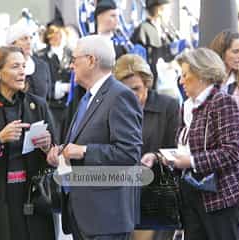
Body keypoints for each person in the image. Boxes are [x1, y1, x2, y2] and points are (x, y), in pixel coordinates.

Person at [47, 35, 143, 240]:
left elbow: (129, 152)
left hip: (106, 218)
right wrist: (62, 153)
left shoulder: (119, 96)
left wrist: (83, 151)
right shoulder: (87, 97)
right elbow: (85, 140)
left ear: (91, 60)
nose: (71, 65)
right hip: (83, 213)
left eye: (75, 59)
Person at [0, 46, 56, 240]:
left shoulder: (38, 105)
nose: (22, 71)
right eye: (15, 66)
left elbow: (56, 159)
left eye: (23, 66)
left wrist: (48, 148)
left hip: (33, 200)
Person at [163, 48, 239, 240]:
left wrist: (190, 161)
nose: (181, 80)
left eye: (185, 75)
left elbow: (232, 152)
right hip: (191, 194)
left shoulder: (223, 102)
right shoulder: (186, 106)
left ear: (202, 74)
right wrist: (173, 158)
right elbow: (187, 145)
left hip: (221, 197)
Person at [114, 54, 180, 240]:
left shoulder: (168, 106)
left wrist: (155, 157)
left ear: (147, 84)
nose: (132, 94)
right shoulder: (114, 108)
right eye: (125, 89)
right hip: (122, 192)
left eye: (136, 88)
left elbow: (175, 147)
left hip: (156, 190)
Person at [209, 30, 239, 147]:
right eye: (236, 51)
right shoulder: (207, 81)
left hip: (234, 148)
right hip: (210, 149)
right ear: (222, 53)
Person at [39, 19, 72, 143]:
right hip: (50, 107)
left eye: (59, 33)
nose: (57, 37)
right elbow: (40, 83)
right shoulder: (41, 56)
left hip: (68, 106)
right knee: (53, 140)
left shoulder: (71, 54)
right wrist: (61, 88)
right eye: (53, 33)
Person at [131, 0, 175, 88]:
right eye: (168, 10)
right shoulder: (143, 29)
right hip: (151, 85)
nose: (170, 14)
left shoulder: (164, 30)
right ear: (159, 10)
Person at [6, 20, 51, 98]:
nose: (29, 42)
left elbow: (47, 98)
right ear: (12, 44)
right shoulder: (6, 67)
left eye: (31, 38)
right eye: (24, 39)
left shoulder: (42, 66)